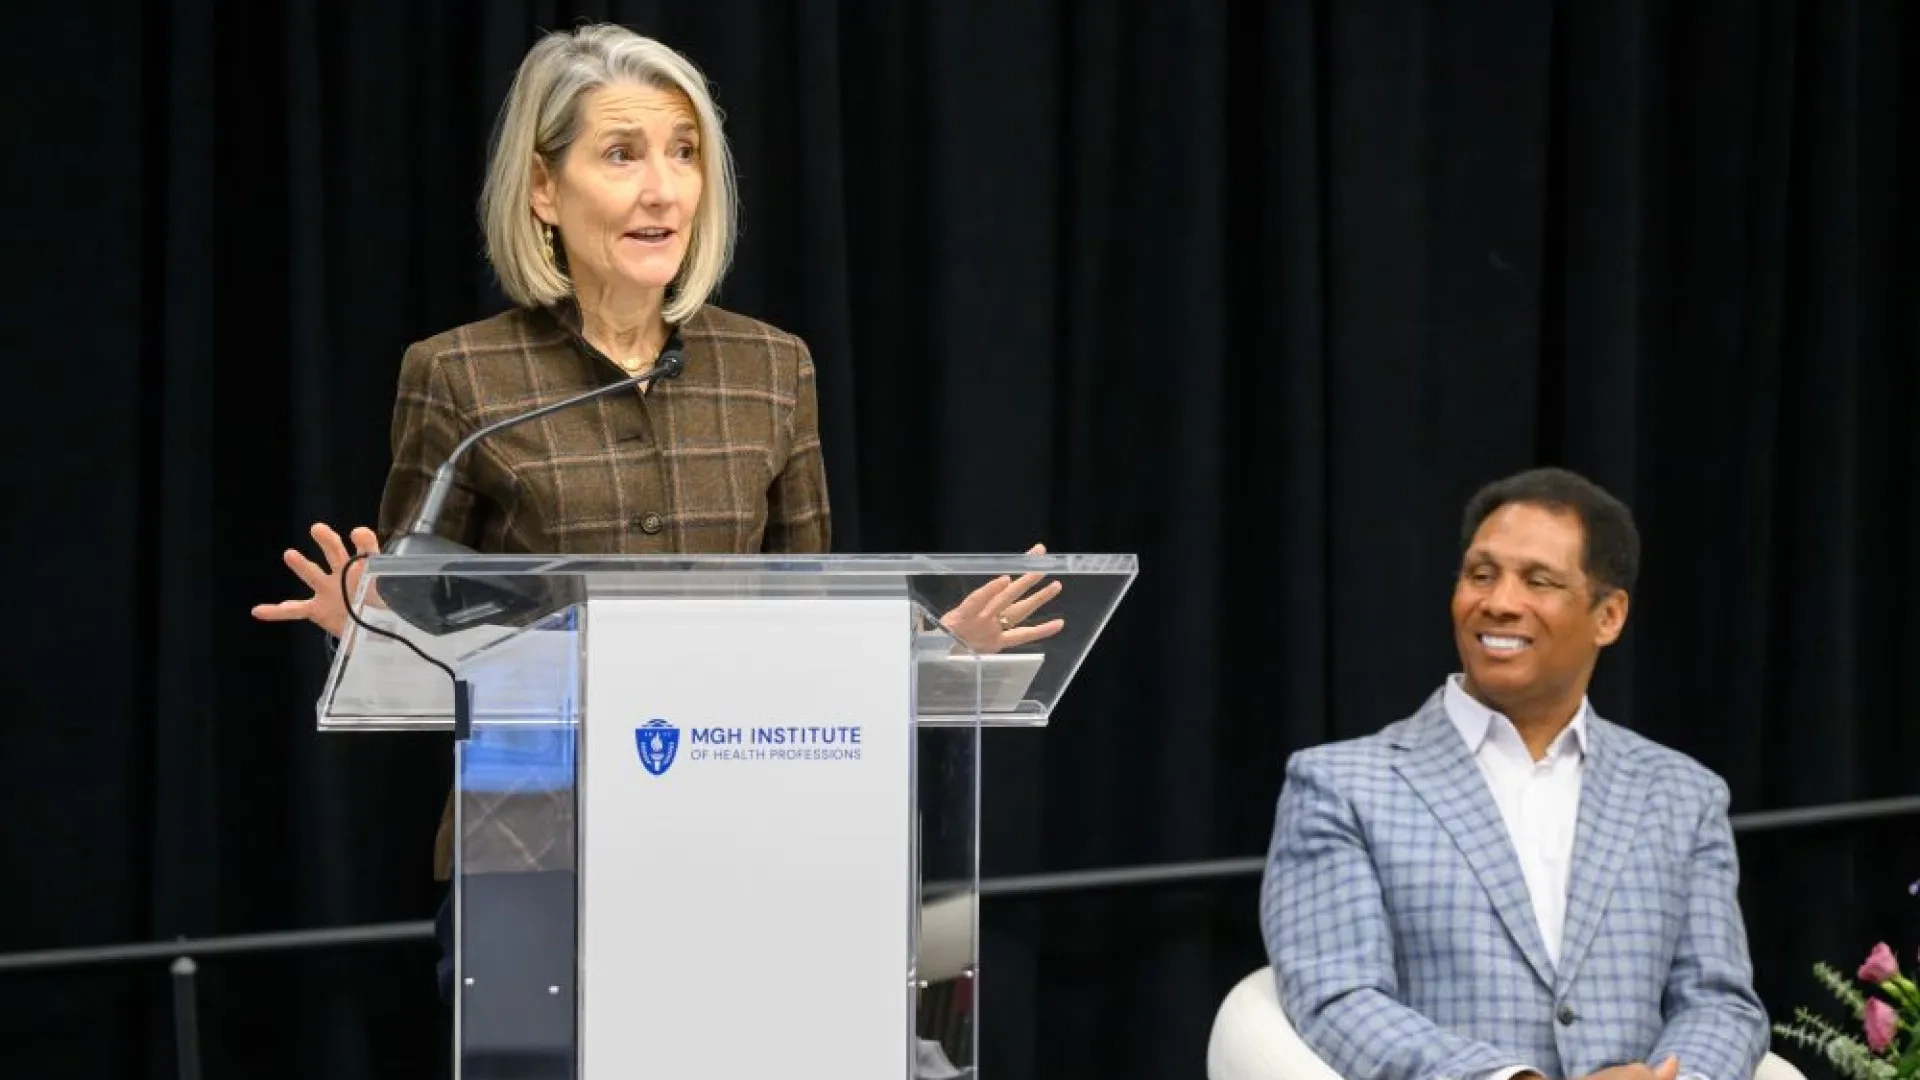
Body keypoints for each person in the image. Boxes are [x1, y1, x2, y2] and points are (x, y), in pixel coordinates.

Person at [250, 23, 1064, 1008]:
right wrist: (369, 630)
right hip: (535, 847)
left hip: (743, 837)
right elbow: (425, 619)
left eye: (685, 152)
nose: (663, 189)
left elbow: (808, 613)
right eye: (622, 153)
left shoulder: (772, 369)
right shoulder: (459, 375)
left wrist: (927, 648)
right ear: (544, 190)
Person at [1259, 467, 1767, 1080]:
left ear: (1608, 616)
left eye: (1538, 580)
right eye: (1480, 574)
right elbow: (1339, 997)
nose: (1498, 602)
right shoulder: (1340, 787)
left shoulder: (1683, 794)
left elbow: (1718, 999)